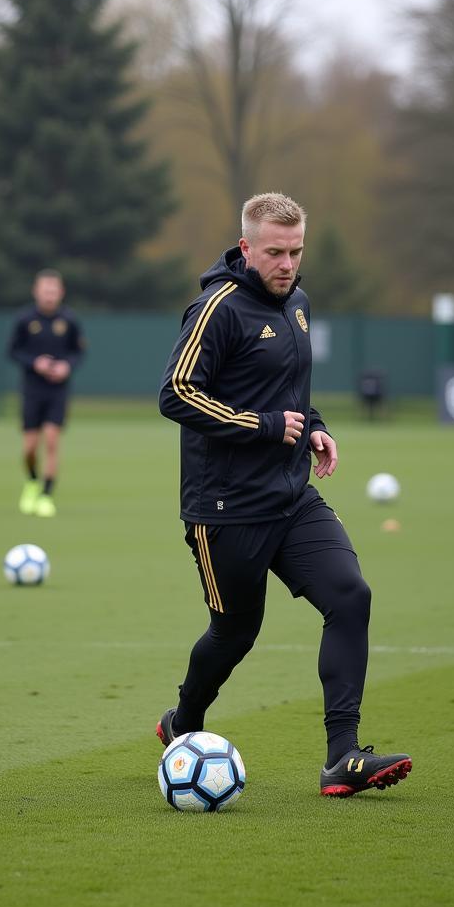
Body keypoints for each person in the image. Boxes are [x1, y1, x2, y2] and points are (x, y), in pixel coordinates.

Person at [156, 192, 411, 798]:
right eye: (274, 252)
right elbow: (175, 394)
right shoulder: (216, 309)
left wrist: (313, 425)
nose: (287, 264)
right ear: (246, 247)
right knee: (235, 632)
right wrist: (266, 425)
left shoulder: (297, 303)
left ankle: (342, 756)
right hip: (225, 509)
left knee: (350, 596)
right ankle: (183, 721)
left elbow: (290, 389)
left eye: (296, 252)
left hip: (292, 498)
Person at [8, 269, 85, 518]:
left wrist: (66, 366)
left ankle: (46, 495)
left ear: (60, 292)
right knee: (30, 447)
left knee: (52, 440)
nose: (50, 295)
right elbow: (13, 351)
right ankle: (32, 481)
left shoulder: (69, 321)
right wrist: (35, 363)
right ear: (36, 292)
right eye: (45, 290)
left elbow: (78, 352)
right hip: (32, 389)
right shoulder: (25, 319)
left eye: (54, 291)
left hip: (57, 391)